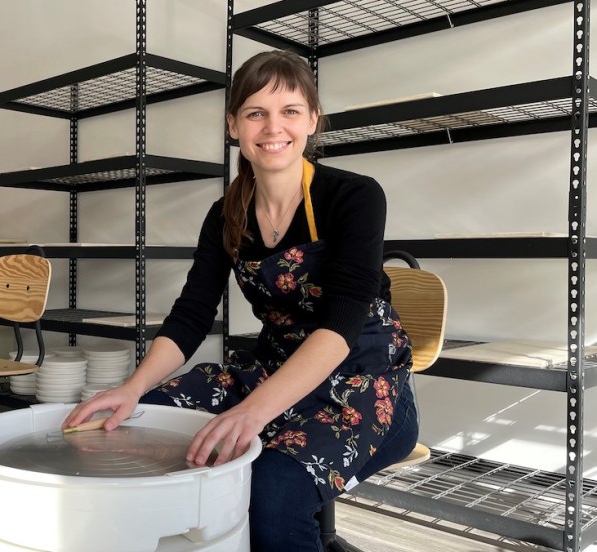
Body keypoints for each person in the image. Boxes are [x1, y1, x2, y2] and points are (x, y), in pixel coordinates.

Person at [63, 49, 420, 552]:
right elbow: (191, 315)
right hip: (273, 370)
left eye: (290, 111)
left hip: (366, 386)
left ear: (312, 119)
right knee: (142, 422)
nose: (273, 127)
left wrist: (253, 414)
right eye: (256, 112)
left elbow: (340, 327)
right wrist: (132, 387)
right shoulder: (225, 214)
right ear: (234, 125)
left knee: (273, 489)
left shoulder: (355, 196)